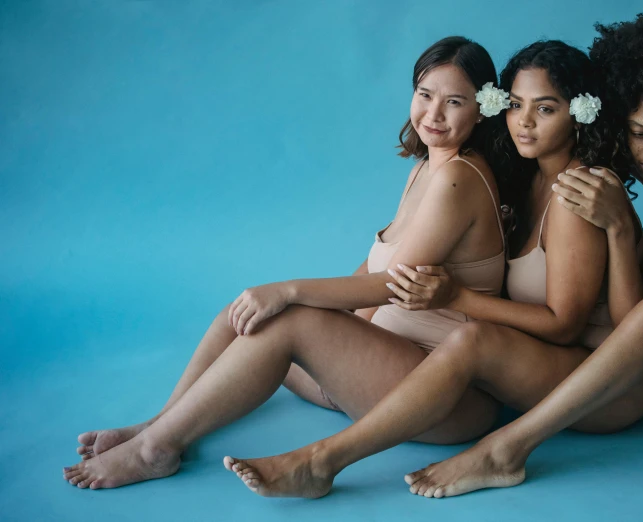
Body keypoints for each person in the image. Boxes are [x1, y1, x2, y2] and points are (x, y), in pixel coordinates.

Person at [221, 40, 643, 499]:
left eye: (545, 109)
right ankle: (161, 430)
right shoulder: (527, 176)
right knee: (262, 325)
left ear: (579, 114)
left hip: (610, 380)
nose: (525, 121)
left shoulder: (576, 193)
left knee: (472, 339)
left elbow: (567, 325)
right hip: (545, 363)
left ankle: (323, 460)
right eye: (514, 105)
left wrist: (458, 299)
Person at [62, 36, 508, 491]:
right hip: (384, 369)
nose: (433, 114)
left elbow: (389, 285)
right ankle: (160, 425)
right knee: (244, 317)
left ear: (481, 110)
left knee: (284, 317)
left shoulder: (459, 178)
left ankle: (153, 451)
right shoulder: (425, 168)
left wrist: (290, 292)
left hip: (442, 396)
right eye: (425, 95)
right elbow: (372, 267)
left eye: (454, 102)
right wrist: (339, 345)